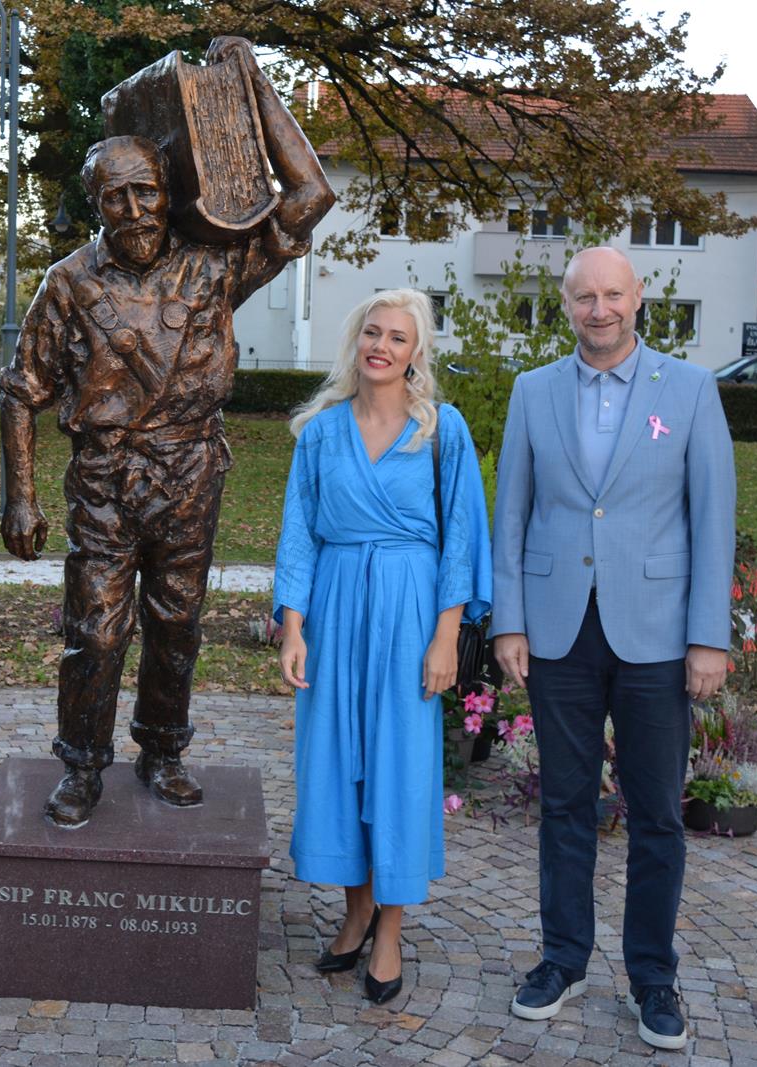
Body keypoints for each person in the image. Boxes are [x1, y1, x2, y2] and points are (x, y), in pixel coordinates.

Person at [0, 35, 335, 827]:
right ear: (96, 204)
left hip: (190, 472)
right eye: (116, 197)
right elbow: (22, 392)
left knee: (177, 625)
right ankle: (81, 762)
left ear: (167, 189)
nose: (136, 210)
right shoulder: (68, 283)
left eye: (147, 192)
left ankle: (162, 749)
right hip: (107, 480)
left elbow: (310, 193)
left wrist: (250, 88)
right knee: (95, 631)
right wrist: (20, 496)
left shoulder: (215, 265)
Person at [492, 246, 736, 1051]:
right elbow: (513, 517)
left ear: (638, 298)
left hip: (659, 632)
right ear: (566, 306)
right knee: (565, 801)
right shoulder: (533, 393)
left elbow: (713, 518)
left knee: (659, 814)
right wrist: (512, 621)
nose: (598, 309)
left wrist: (708, 636)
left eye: (612, 295)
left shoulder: (692, 391)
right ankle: (562, 958)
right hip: (560, 626)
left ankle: (653, 976)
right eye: (583, 297)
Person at [273, 288, 491, 1005]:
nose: (382, 346)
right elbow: (300, 532)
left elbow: (460, 536)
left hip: (409, 611)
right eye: (373, 332)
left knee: (399, 765)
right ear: (356, 341)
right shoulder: (322, 433)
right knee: (336, 761)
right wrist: (294, 627)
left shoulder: (442, 431)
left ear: (415, 353)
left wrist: (447, 636)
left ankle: (390, 927)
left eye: (399, 337)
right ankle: (355, 907)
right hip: (335, 609)